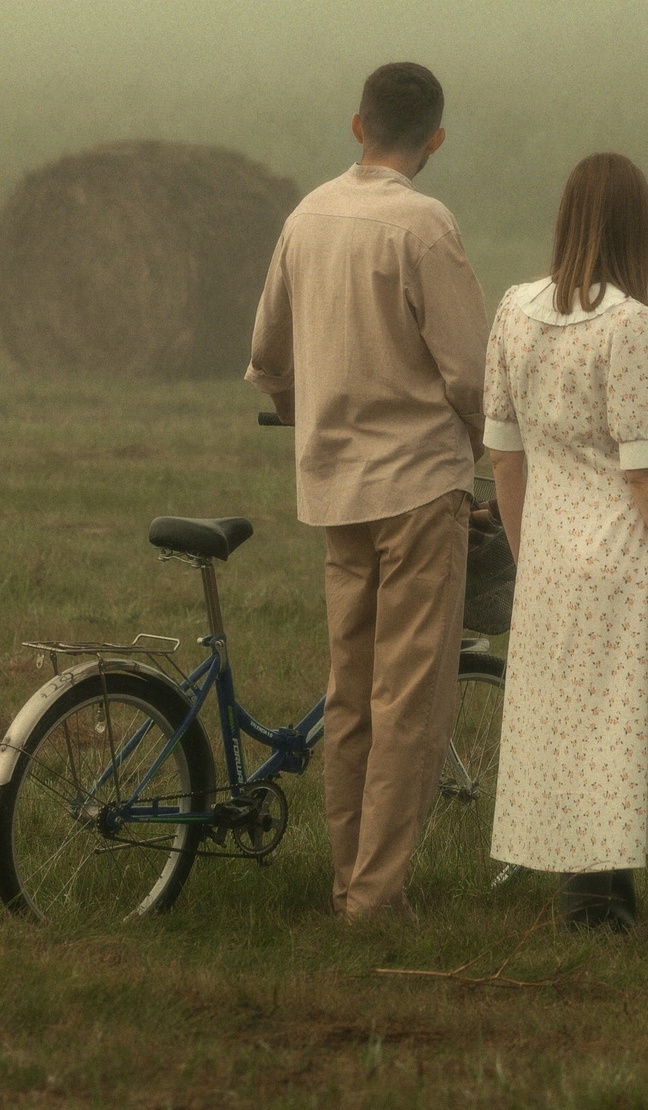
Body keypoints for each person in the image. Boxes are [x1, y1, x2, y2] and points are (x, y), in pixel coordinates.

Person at [246, 61, 490, 921]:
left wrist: (301, 409)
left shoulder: (306, 216)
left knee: (349, 695)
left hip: (334, 492)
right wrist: (484, 443)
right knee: (409, 702)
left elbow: (269, 358)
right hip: (420, 488)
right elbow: (470, 373)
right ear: (436, 139)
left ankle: (346, 880)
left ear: (357, 126)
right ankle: (376, 900)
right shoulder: (425, 226)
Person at [482, 152, 648, 931]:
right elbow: (646, 476)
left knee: (565, 722)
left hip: (548, 553)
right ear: (635, 229)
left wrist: (527, 551)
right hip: (620, 558)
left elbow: (503, 453)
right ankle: (590, 903)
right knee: (614, 723)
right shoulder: (631, 323)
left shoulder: (512, 310)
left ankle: (609, 893)